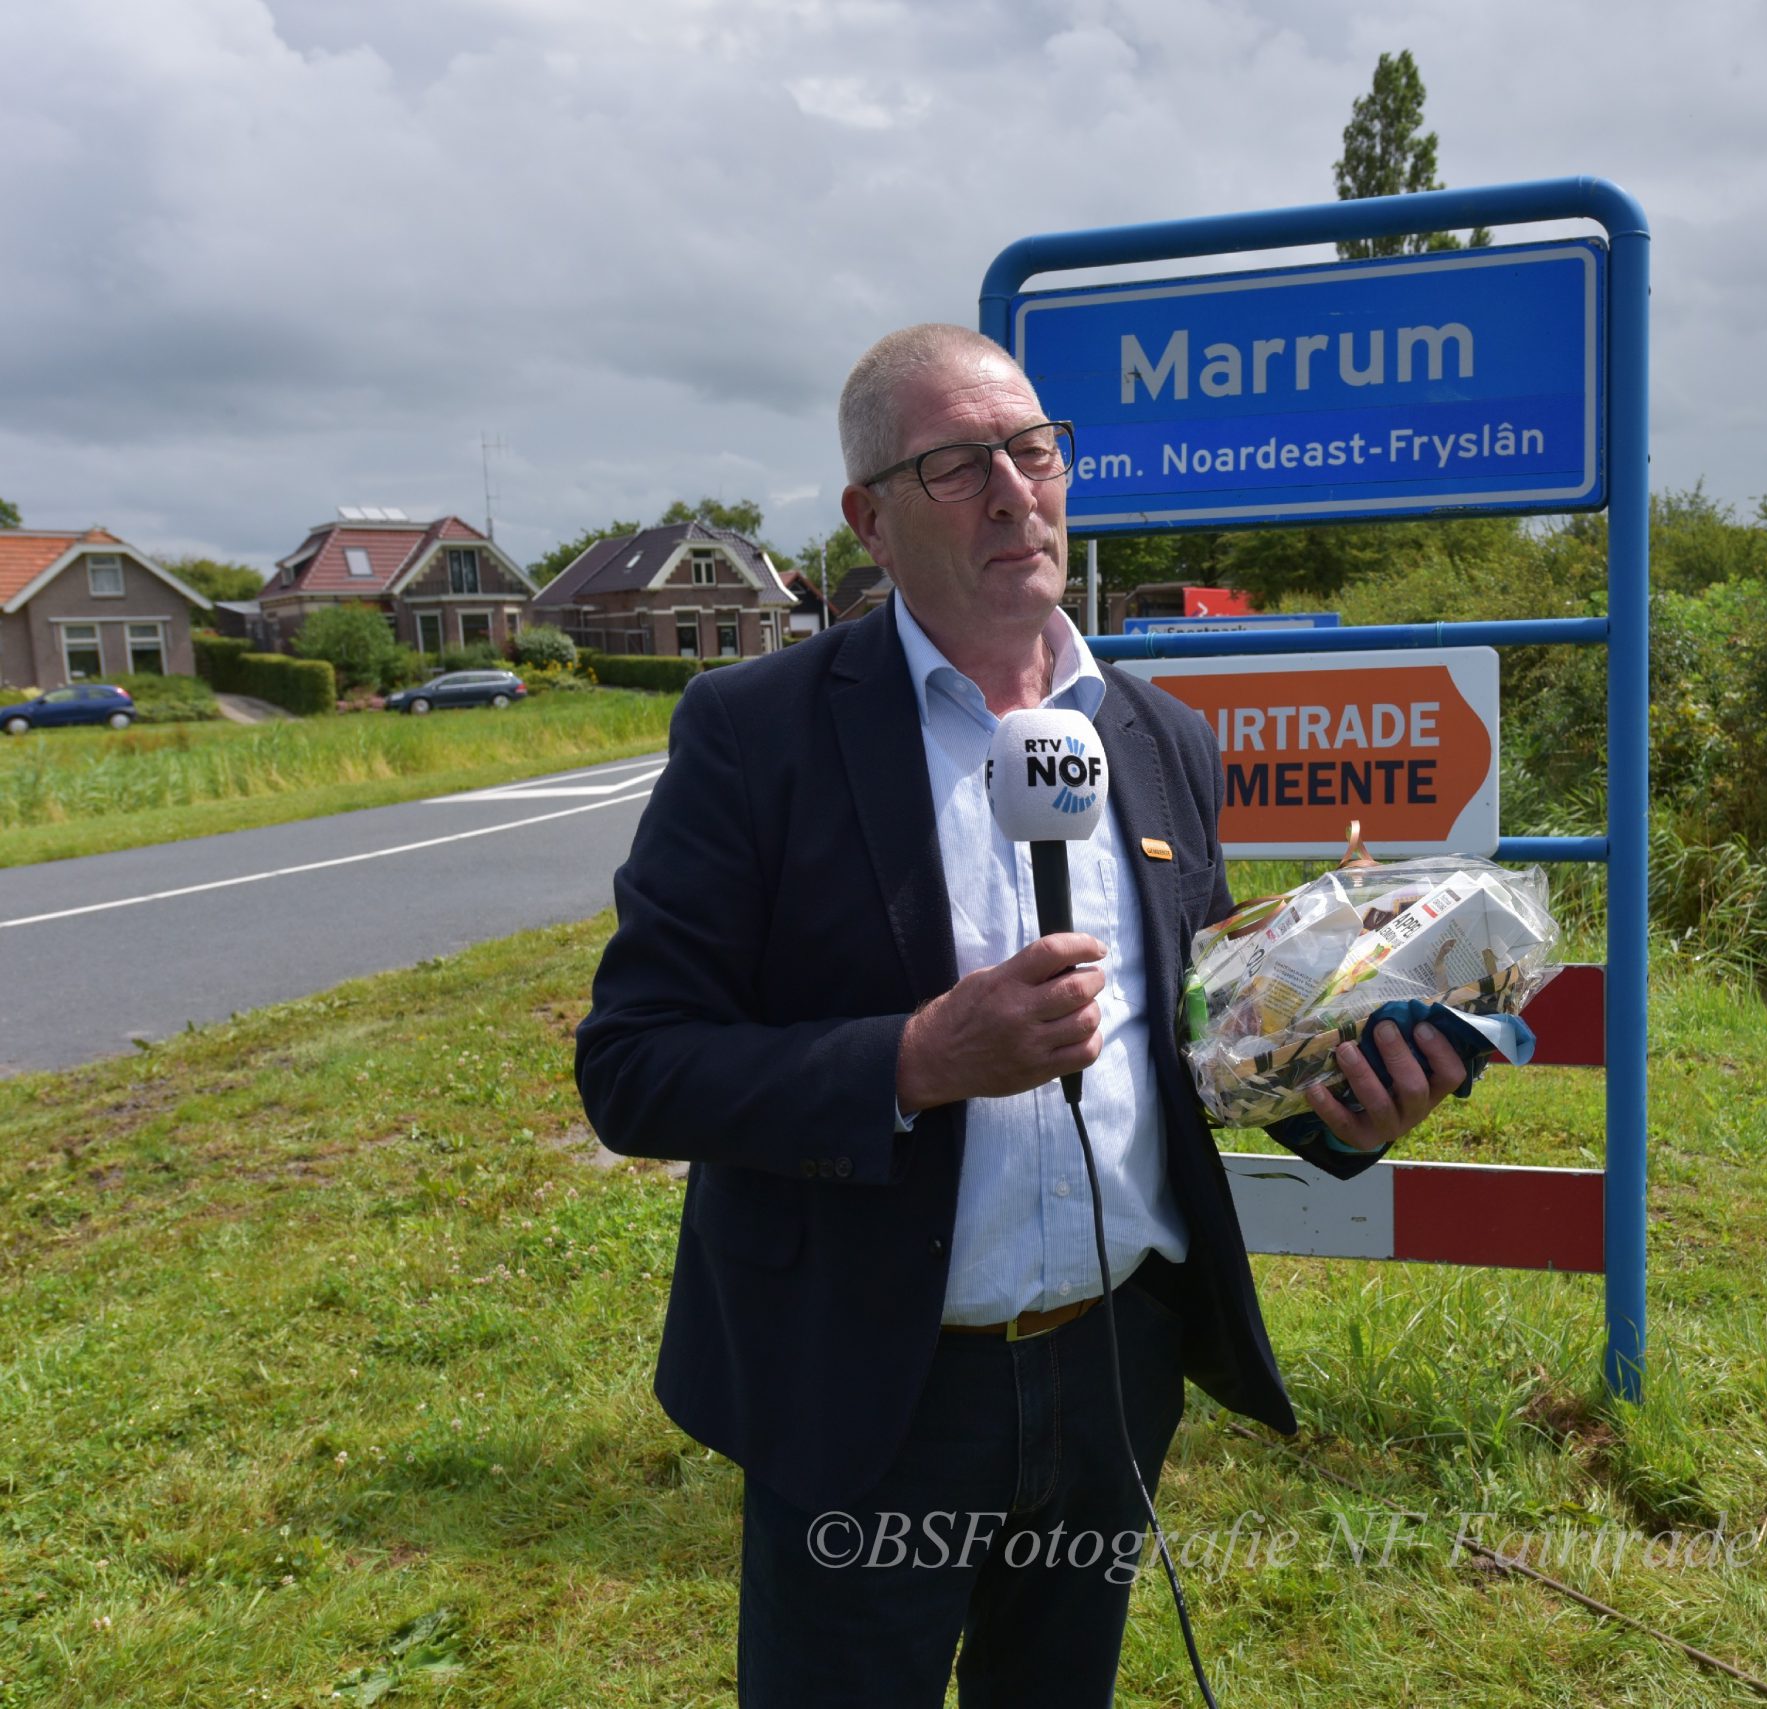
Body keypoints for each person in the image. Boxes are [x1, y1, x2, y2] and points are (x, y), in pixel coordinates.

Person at [574, 322, 1469, 1707]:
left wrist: (1338, 1108)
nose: (1013, 492)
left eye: (1033, 450)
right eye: (956, 464)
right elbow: (634, 1067)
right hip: (873, 1387)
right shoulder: (757, 734)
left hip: (1114, 1364)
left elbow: (1192, 1051)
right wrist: (917, 1059)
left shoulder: (1161, 737)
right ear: (870, 519)